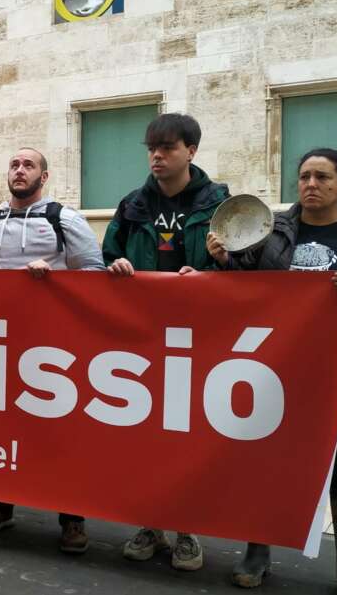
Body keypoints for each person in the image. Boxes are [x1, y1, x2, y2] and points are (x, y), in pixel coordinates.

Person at [208, 148, 337, 594]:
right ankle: (257, 552)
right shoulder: (272, 232)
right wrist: (224, 260)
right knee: (265, 465)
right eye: (304, 176)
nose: (310, 184)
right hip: (275, 373)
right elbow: (244, 288)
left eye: (323, 177)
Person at [103, 113, 229, 573]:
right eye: (151, 149)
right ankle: (150, 523)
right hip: (142, 340)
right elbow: (108, 256)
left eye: (168, 148)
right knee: (146, 435)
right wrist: (115, 267)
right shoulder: (132, 204)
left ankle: (186, 530)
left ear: (191, 151)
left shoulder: (220, 203)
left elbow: (241, 271)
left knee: (188, 436)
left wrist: (210, 275)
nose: (157, 156)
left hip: (200, 343)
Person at [0, 147, 104, 554]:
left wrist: (54, 282)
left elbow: (93, 273)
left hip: (52, 348)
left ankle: (71, 516)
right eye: (14, 164)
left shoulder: (65, 218)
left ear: (44, 177)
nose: (20, 170)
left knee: (58, 432)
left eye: (28, 166)